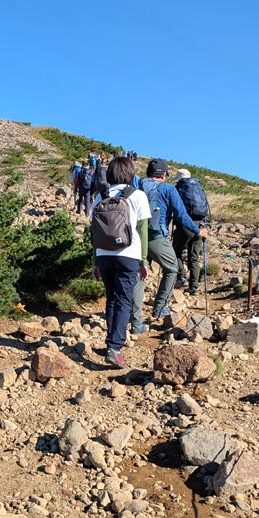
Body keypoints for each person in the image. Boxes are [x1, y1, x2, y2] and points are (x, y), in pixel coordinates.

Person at [132, 160, 209, 331]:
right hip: (156, 237)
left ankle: (136, 321)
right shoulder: (168, 189)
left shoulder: (139, 186)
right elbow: (181, 215)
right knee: (172, 268)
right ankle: (160, 307)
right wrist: (198, 231)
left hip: (137, 237)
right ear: (164, 175)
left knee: (140, 275)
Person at [92, 156, 150, 368]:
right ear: (131, 173)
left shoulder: (101, 196)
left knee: (111, 298)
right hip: (128, 253)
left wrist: (95, 261)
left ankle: (111, 342)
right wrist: (144, 260)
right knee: (124, 300)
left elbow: (94, 232)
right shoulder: (138, 195)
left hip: (103, 254)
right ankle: (114, 347)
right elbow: (142, 231)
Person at [171, 168, 211, 293]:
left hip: (186, 224)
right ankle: (194, 287)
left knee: (175, 251)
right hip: (201, 225)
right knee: (194, 256)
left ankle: (181, 277)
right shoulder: (199, 188)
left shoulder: (178, 189)